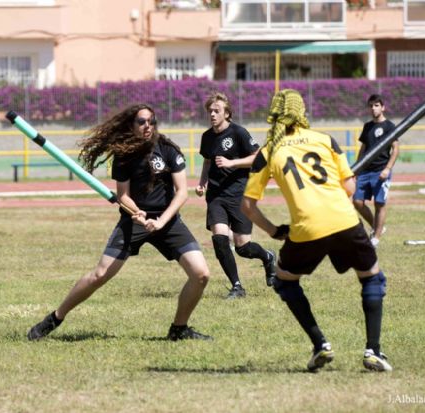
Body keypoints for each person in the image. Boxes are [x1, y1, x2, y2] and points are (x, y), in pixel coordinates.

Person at [27, 103, 212, 341]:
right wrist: (138, 214)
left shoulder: (167, 149)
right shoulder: (124, 156)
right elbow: (123, 195)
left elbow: (182, 192)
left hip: (167, 221)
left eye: (152, 121)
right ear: (131, 125)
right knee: (100, 275)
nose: (148, 126)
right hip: (134, 222)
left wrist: (160, 221)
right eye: (142, 122)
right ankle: (55, 318)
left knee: (201, 274)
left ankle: (179, 329)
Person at [241, 89, 392, 372]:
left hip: (306, 227)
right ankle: (373, 351)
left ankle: (320, 344)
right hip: (345, 221)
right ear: (302, 112)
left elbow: (247, 206)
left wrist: (275, 231)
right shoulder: (325, 139)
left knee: (285, 281)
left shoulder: (268, 150)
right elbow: (349, 188)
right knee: (371, 278)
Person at [196, 92, 276, 299]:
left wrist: (232, 163)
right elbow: (207, 161)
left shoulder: (238, 132)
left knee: (243, 247)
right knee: (220, 238)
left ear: (227, 113)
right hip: (216, 195)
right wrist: (203, 182)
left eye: (217, 111)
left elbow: (258, 157)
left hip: (240, 195)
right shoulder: (207, 137)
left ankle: (268, 257)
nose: (212, 115)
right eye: (210, 111)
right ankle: (237, 286)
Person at [352, 94, 398, 247]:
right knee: (357, 202)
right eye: (371, 105)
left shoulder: (390, 126)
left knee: (379, 204)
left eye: (376, 105)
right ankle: (378, 226)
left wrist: (387, 169)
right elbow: (363, 148)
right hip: (365, 171)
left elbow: (396, 149)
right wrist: (357, 169)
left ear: (383, 107)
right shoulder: (367, 127)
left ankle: (376, 238)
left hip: (381, 171)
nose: (373, 108)